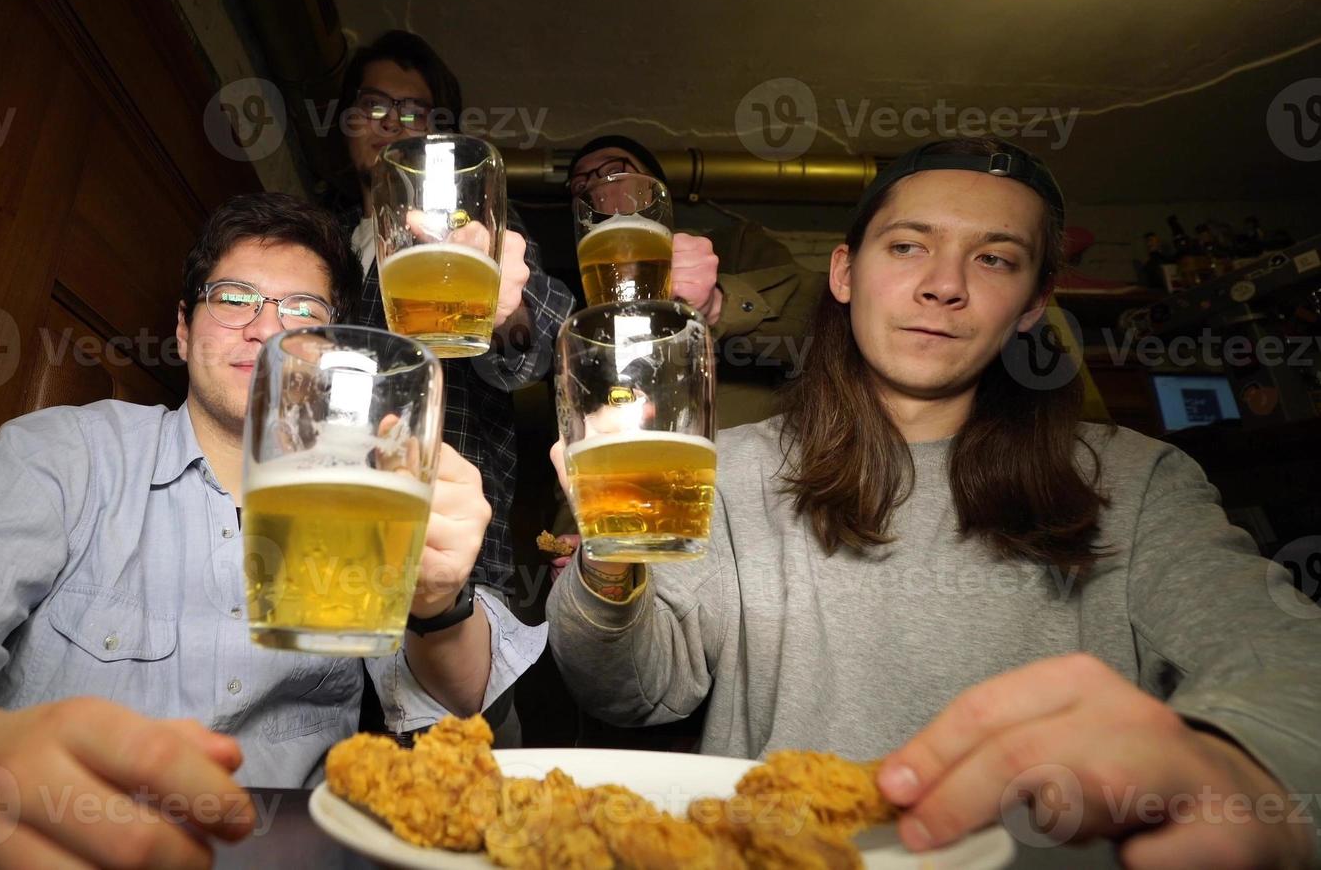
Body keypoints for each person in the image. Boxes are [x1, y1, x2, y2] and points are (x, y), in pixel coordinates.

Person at [0, 194, 545, 868]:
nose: (268, 328)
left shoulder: (364, 490)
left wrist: (439, 598)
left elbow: (460, 698)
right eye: (235, 297)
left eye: (304, 315)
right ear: (183, 327)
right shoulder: (67, 455)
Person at [547, 138, 1320, 867]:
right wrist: (610, 551)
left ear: (1031, 303)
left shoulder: (1139, 482)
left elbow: (1289, 661)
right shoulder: (734, 468)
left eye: (994, 257)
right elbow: (632, 693)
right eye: (908, 245)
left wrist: (1241, 766)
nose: (944, 284)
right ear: (845, 273)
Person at [333, 30, 576, 596]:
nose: (391, 122)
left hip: (454, 549)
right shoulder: (319, 238)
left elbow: (545, 342)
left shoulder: (479, 231)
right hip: (326, 534)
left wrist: (508, 308)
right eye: (373, 105)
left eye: (413, 111)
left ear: (437, 134)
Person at [566, 135, 822, 428]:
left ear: (656, 189)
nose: (597, 190)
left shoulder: (735, 245)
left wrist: (717, 303)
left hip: (745, 465)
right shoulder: (578, 304)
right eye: (580, 187)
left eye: (615, 170)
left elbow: (825, 321)